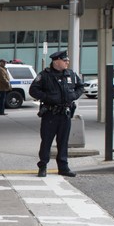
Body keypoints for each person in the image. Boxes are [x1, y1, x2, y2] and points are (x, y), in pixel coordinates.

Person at [28, 50, 84, 178]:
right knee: (46, 141)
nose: (67, 62)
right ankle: (43, 166)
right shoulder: (45, 75)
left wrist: (73, 96)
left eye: (67, 60)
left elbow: (80, 87)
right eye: (65, 61)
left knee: (63, 142)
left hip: (65, 114)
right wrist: (47, 97)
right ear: (56, 61)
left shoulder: (70, 74)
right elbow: (33, 90)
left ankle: (63, 167)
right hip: (50, 114)